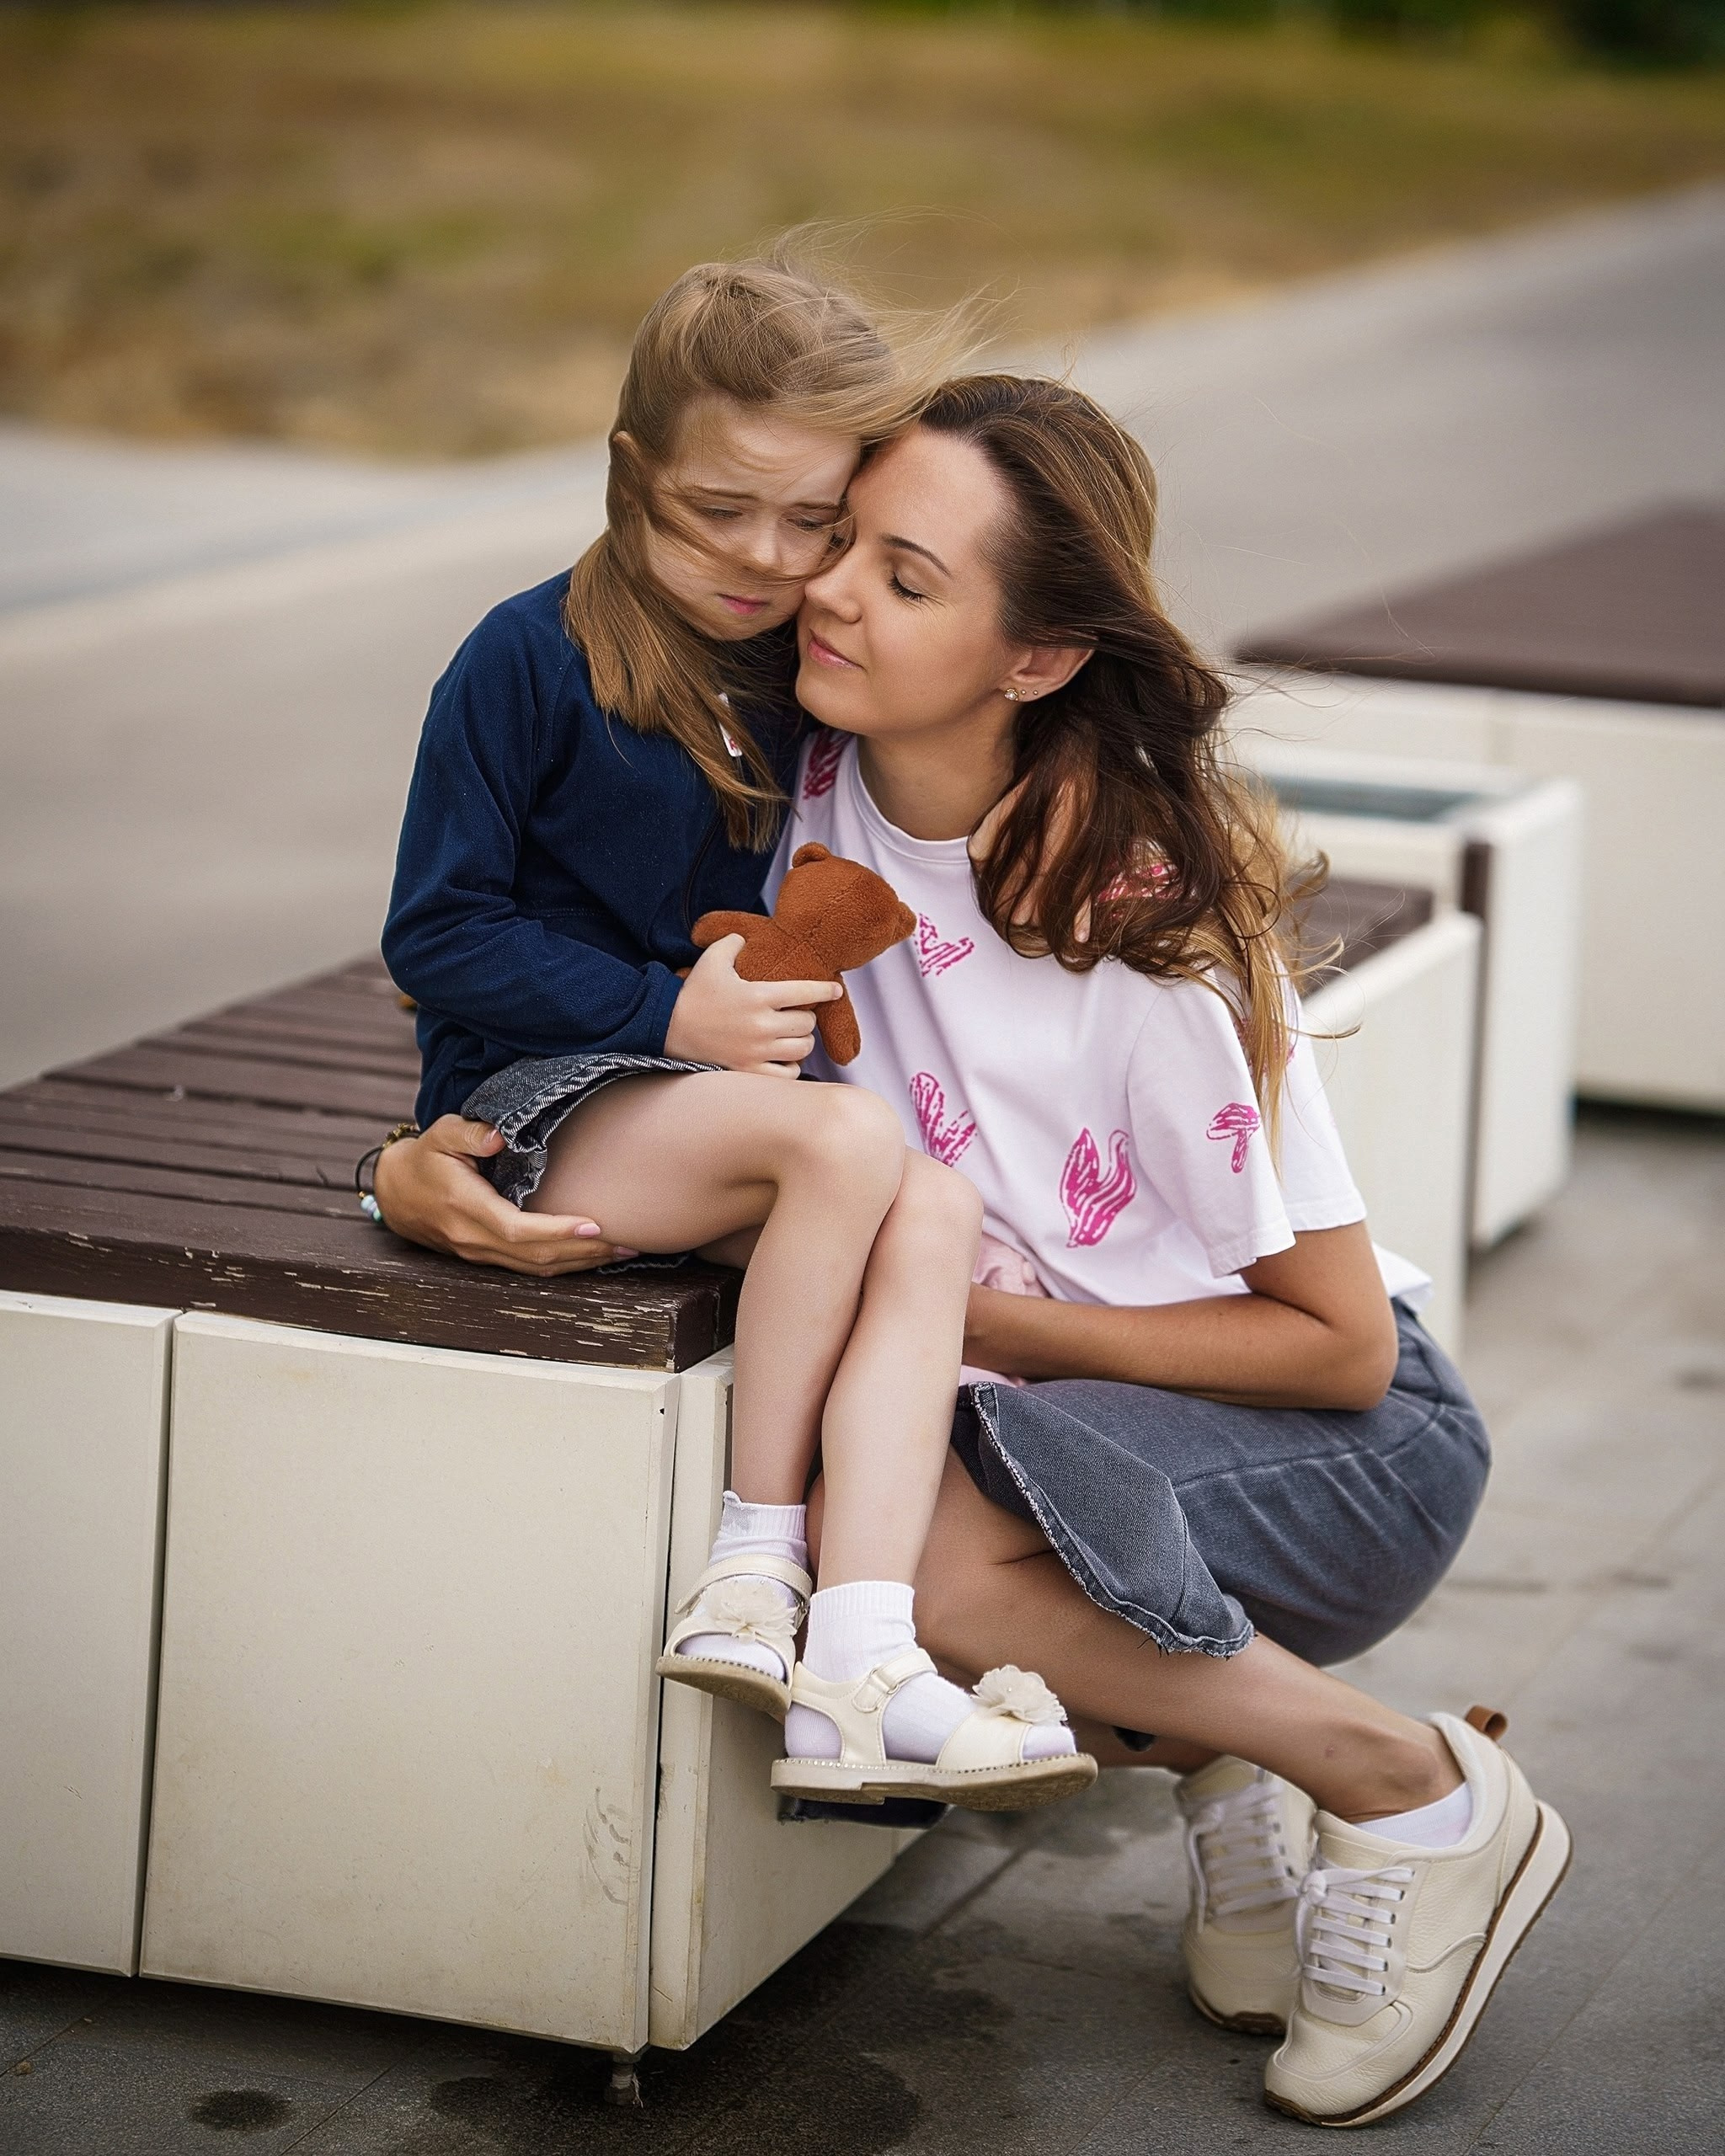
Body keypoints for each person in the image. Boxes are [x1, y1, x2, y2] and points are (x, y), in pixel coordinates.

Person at [374, 372, 1570, 2128]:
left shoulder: (1138, 927)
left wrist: (964, 1317)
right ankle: (1217, 1751)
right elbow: (539, 983)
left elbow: (1340, 1348)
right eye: (843, 542)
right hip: (1030, 1407)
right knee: (867, 1502)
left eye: (906, 577)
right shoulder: (797, 789)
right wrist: (407, 1159)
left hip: (1342, 1445)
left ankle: (1409, 1785)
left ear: (1034, 656)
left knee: (909, 1574)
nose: (832, 590)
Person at [378, 258, 1091, 1812]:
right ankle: (755, 1564)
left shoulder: (794, 667)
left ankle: (862, 1648)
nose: (769, 561)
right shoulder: (527, 659)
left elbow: (976, 703)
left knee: (941, 1209)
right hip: (540, 1096)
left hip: (720, 1116)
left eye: (815, 523)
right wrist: (660, 1010)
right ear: (631, 469)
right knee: (847, 1137)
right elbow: (434, 931)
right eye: (720, 511)